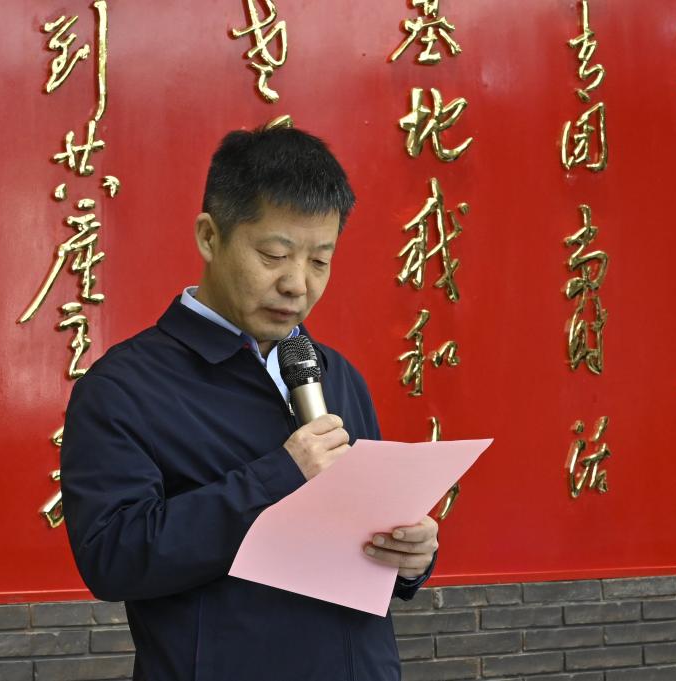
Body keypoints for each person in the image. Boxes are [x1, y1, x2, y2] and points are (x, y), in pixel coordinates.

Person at [60, 125, 439, 681]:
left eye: (320, 261)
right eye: (274, 254)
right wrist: (279, 477)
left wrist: (411, 556)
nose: (297, 284)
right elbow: (114, 558)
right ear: (209, 237)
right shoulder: (122, 387)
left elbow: (365, 533)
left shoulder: (337, 376)